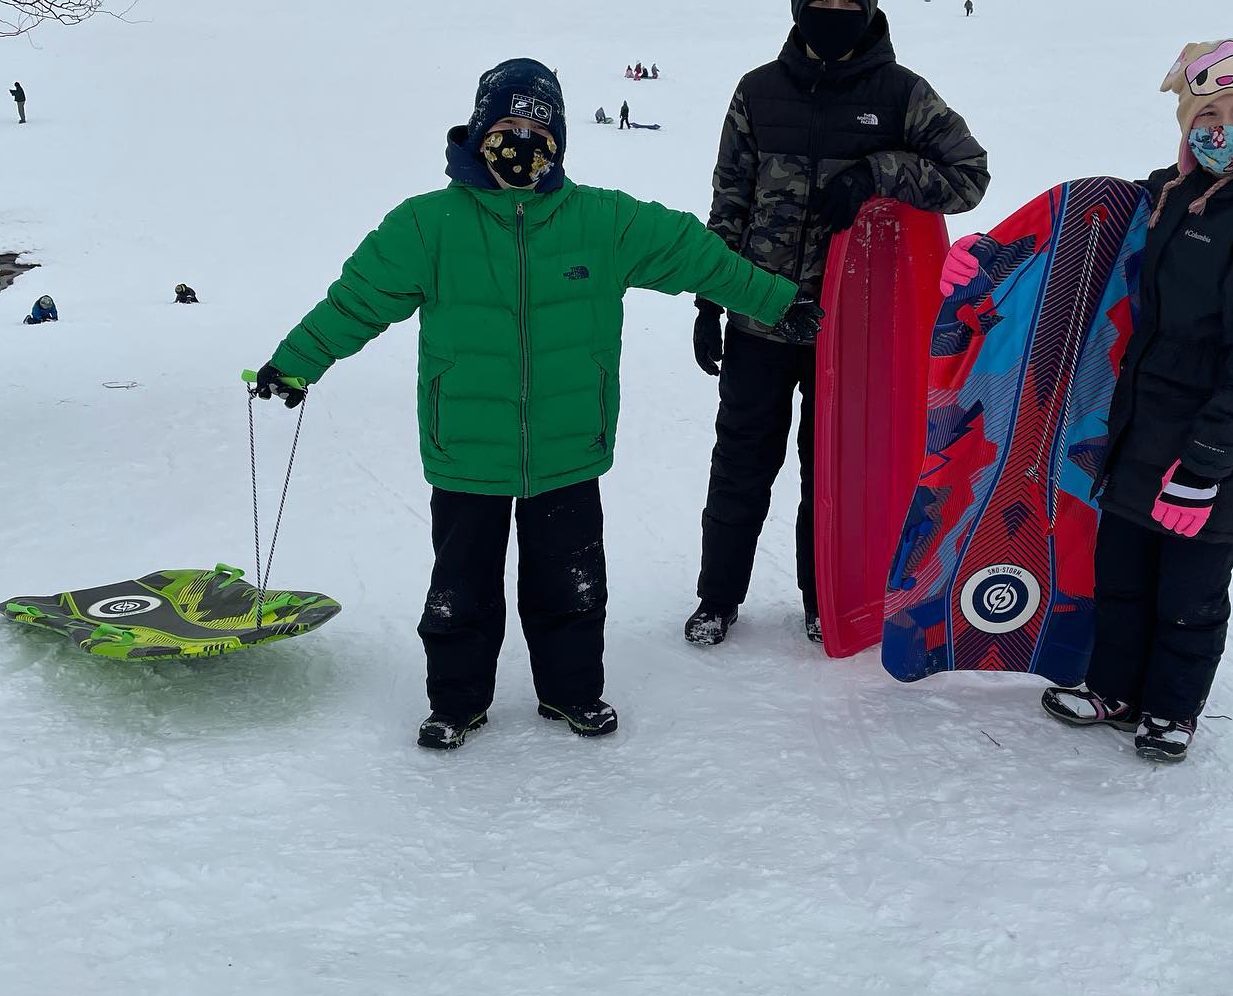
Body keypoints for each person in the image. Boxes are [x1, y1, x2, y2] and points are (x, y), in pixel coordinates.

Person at [253, 59, 820, 753]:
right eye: (508, 126)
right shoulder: (427, 226)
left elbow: (697, 254)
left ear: (558, 141)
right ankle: (456, 703)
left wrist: (776, 302)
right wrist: (295, 363)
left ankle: (572, 691)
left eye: (537, 128)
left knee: (572, 582)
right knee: (460, 591)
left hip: (567, 442)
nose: (522, 141)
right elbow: (357, 302)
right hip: (468, 445)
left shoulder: (603, 221)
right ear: (479, 129)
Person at [1031, 4, 1233, 762]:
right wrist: (991, 264)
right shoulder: (1173, 196)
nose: (1222, 127)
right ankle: (1115, 688)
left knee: (1189, 592)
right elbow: (1083, 232)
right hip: (1143, 429)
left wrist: (1207, 462)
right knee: (1124, 573)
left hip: (1214, 450)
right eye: (1208, 113)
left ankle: (1172, 709)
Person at [688, 0, 989, 648]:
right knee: (740, 464)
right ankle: (717, 597)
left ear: (869, 9)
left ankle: (828, 596)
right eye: (820, 3)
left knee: (834, 474)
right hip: (761, 315)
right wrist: (709, 297)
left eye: (847, 4)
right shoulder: (757, 91)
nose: (833, 14)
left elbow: (969, 175)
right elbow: (729, 199)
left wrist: (880, 172)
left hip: (851, 331)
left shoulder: (900, 94)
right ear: (798, 7)